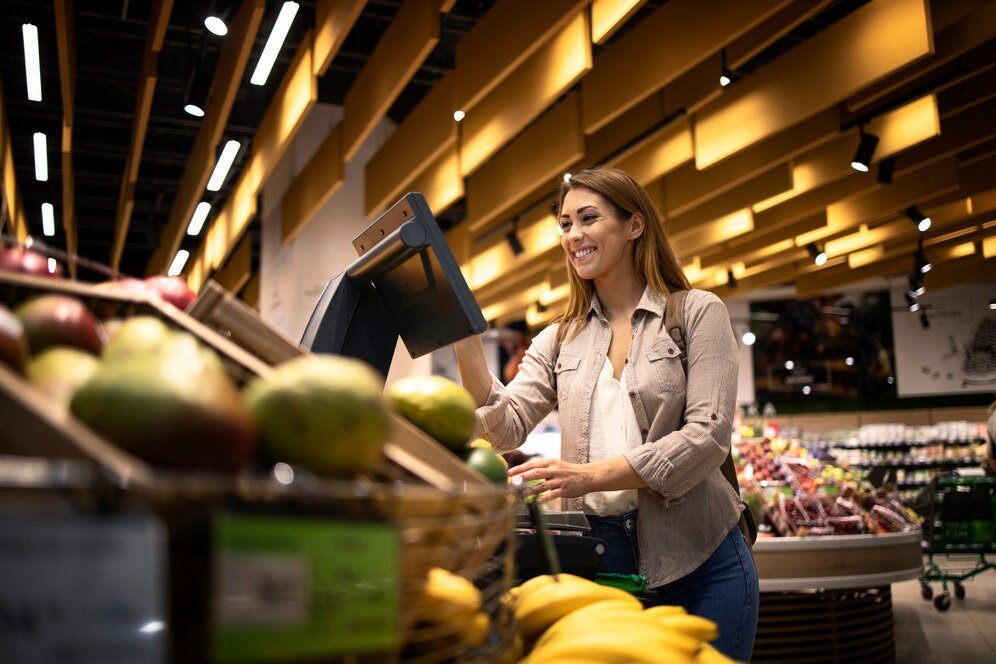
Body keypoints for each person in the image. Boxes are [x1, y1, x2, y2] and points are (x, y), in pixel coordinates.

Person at [453, 166, 759, 661]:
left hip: (703, 559)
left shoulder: (696, 313)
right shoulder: (561, 337)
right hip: (598, 558)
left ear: (634, 225)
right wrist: (464, 337)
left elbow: (707, 437)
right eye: (565, 224)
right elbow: (505, 425)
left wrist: (589, 476)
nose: (573, 235)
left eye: (588, 219)